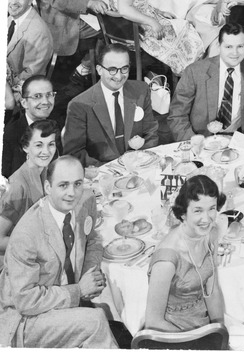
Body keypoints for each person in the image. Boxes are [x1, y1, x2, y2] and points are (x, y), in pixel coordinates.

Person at [0, 155, 117, 348]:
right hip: (26, 318)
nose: (72, 193)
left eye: (77, 184)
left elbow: (93, 239)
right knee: (95, 320)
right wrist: (78, 290)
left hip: (59, 297)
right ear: (48, 187)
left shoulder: (85, 201)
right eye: (63, 185)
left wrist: (89, 273)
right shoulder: (26, 234)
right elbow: (26, 301)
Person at [143, 175, 225, 333]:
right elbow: (153, 322)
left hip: (205, 325)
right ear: (183, 214)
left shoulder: (211, 233)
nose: (206, 219)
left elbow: (212, 291)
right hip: (174, 333)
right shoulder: (166, 260)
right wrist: (197, 341)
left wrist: (221, 332)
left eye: (212, 208)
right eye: (198, 210)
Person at [167, 23, 244, 140]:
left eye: (240, 46)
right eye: (228, 47)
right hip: (202, 139)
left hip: (241, 140)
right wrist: (195, 143)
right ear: (219, 45)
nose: (235, 53)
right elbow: (177, 115)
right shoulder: (195, 72)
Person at [63, 43, 159, 165]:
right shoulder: (79, 105)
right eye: (112, 70)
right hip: (102, 170)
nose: (119, 76)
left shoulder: (141, 90)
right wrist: (110, 170)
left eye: (124, 68)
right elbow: (74, 153)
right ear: (99, 70)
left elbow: (151, 133)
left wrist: (143, 161)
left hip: (139, 166)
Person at [0, 120, 63, 254]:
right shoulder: (17, 186)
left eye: (51, 144)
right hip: (19, 256)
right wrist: (37, 246)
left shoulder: (45, 170)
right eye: (39, 145)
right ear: (26, 147)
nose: (46, 151)